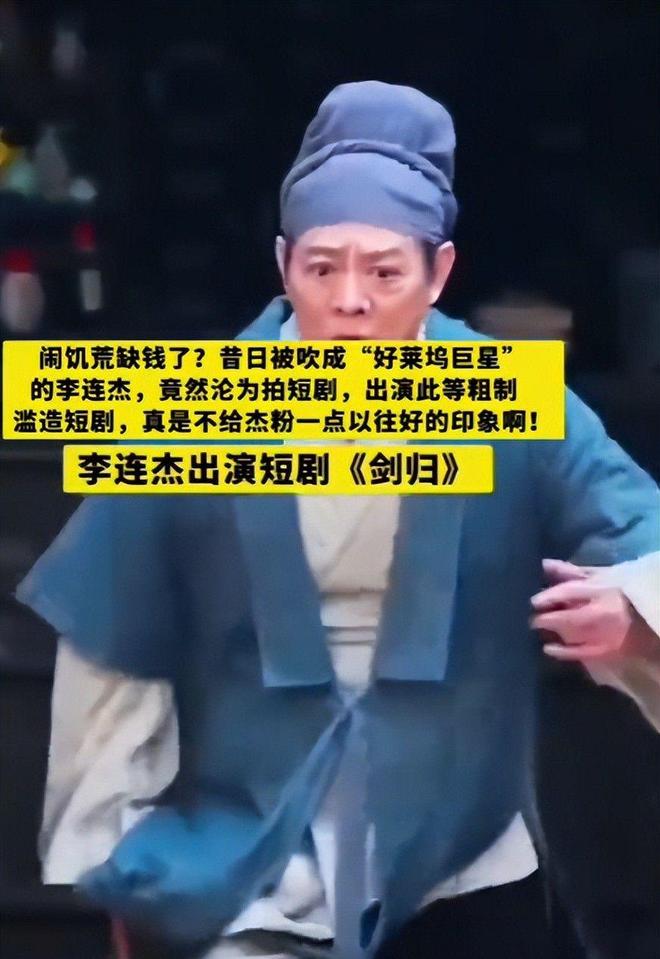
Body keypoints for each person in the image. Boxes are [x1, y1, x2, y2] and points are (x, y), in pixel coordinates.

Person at [14, 81, 660, 959]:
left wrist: (631, 607)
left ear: (438, 274)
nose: (351, 301)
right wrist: (119, 853)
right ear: (286, 267)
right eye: (323, 269)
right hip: (248, 843)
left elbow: (640, 531)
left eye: (384, 272)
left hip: (458, 849)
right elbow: (116, 641)